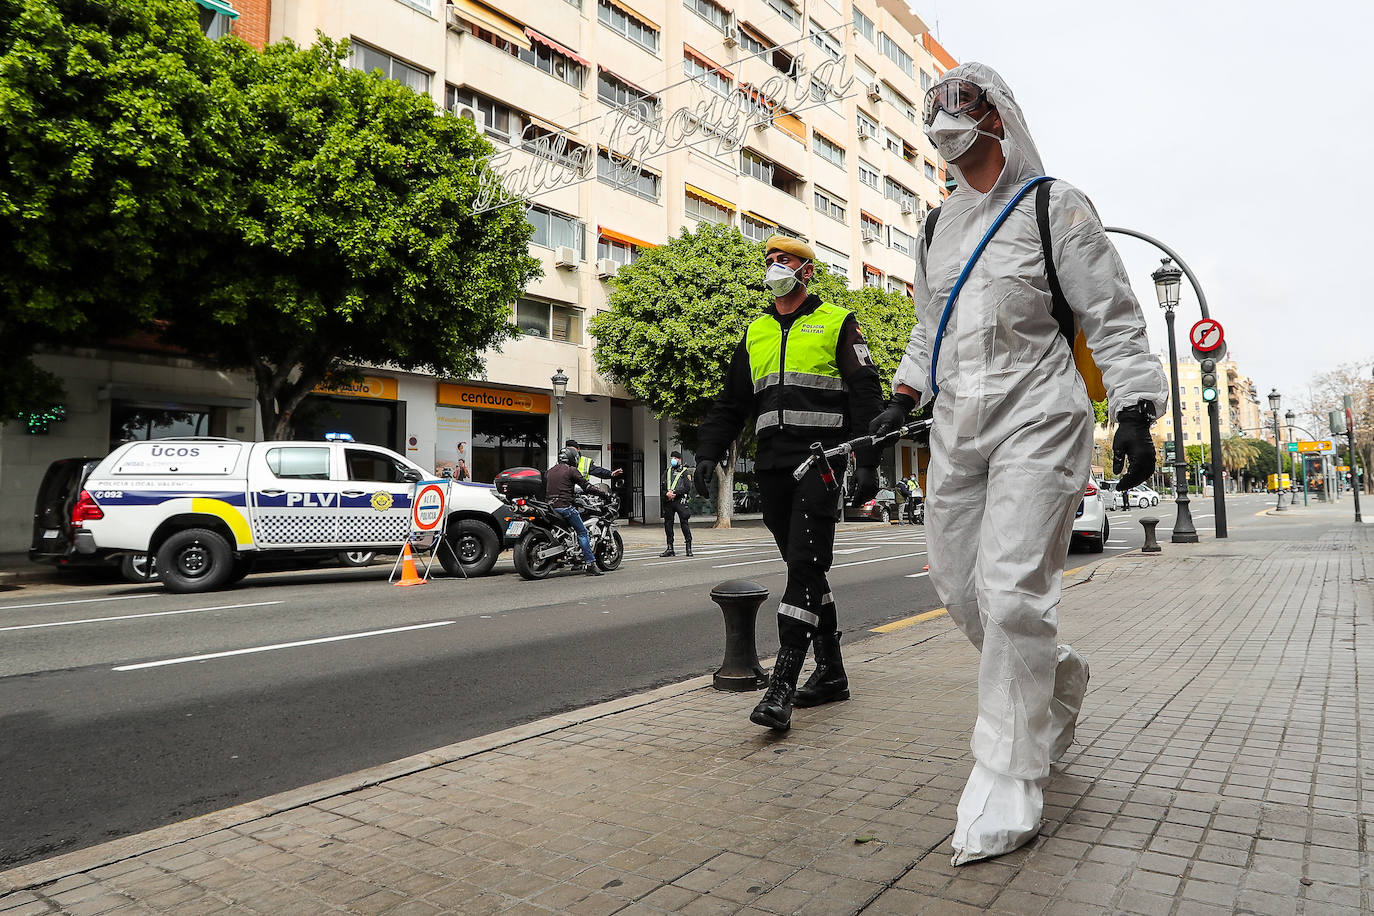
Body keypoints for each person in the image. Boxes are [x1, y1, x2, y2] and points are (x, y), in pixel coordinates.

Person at [869, 63, 1166, 865]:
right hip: (956, 425)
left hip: (1038, 415)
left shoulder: (1053, 207)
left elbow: (1111, 311)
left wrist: (1135, 406)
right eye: (933, 108)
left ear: (998, 116)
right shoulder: (934, 229)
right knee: (961, 591)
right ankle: (1058, 681)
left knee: (1011, 592)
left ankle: (1008, 774)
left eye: (959, 103)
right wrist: (903, 394)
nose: (943, 119)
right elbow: (928, 329)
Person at [694, 235, 884, 731]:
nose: (775, 266)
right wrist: (707, 455)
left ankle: (781, 687)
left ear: (808, 272)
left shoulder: (837, 321)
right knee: (806, 570)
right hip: (772, 466)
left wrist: (867, 462)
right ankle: (833, 674)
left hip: (821, 462)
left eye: (786, 260)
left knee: (803, 564)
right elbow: (732, 403)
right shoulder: (755, 331)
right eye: (770, 260)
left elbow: (866, 396)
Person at [545, 446, 606, 577]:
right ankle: (590, 564)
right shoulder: (571, 470)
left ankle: (559, 560)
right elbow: (587, 486)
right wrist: (602, 493)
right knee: (583, 532)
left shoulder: (550, 471)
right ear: (572, 458)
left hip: (550, 507)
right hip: (564, 507)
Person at [660, 451, 693, 557]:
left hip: (680, 501)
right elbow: (662, 486)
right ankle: (670, 548)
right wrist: (666, 494)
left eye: (675, 458)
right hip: (669, 501)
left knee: (684, 523)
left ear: (679, 459)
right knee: (668, 524)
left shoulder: (685, 472)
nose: (673, 460)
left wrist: (675, 493)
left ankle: (688, 547)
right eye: (671, 458)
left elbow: (687, 487)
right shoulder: (667, 471)